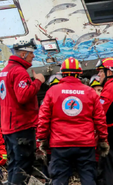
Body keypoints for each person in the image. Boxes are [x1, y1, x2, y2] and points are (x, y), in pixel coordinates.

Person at [37, 57, 109, 185]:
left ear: (62, 73)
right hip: (85, 144)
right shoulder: (89, 92)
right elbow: (100, 118)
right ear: (79, 73)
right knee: (88, 178)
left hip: (60, 145)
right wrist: (103, 139)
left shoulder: (52, 91)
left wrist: (42, 139)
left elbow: (43, 118)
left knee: (59, 179)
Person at [0, 38, 45, 185]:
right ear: (23, 54)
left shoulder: (5, 71)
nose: (33, 56)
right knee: (23, 165)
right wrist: (38, 81)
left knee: (14, 164)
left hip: (8, 127)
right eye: (31, 53)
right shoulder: (19, 72)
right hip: (21, 127)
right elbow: (23, 96)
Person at [97, 58, 113, 184]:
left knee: (108, 167)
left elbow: (100, 113)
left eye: (101, 71)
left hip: (111, 132)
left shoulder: (110, 88)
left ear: (109, 72)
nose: (98, 74)